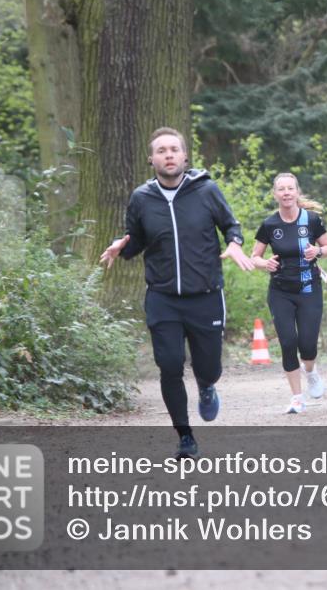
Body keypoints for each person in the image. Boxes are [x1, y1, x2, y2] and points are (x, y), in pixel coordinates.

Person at [99, 127, 254, 459]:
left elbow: (231, 225)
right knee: (169, 366)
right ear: (151, 159)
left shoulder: (206, 190)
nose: (168, 155)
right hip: (163, 297)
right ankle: (185, 436)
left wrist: (235, 243)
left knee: (208, 368)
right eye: (161, 151)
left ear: (184, 157)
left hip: (206, 295)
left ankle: (206, 386)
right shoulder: (142, 198)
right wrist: (120, 247)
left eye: (174, 149)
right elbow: (135, 239)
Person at [250, 173, 327, 414]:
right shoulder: (269, 224)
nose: (286, 193)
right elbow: (254, 256)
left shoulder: (311, 220)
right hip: (280, 291)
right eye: (281, 189)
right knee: (288, 343)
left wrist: (318, 252)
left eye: (290, 188)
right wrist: (265, 263)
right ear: (275, 194)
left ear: (297, 192)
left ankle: (311, 372)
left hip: (309, 289)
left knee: (307, 345)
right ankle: (297, 398)